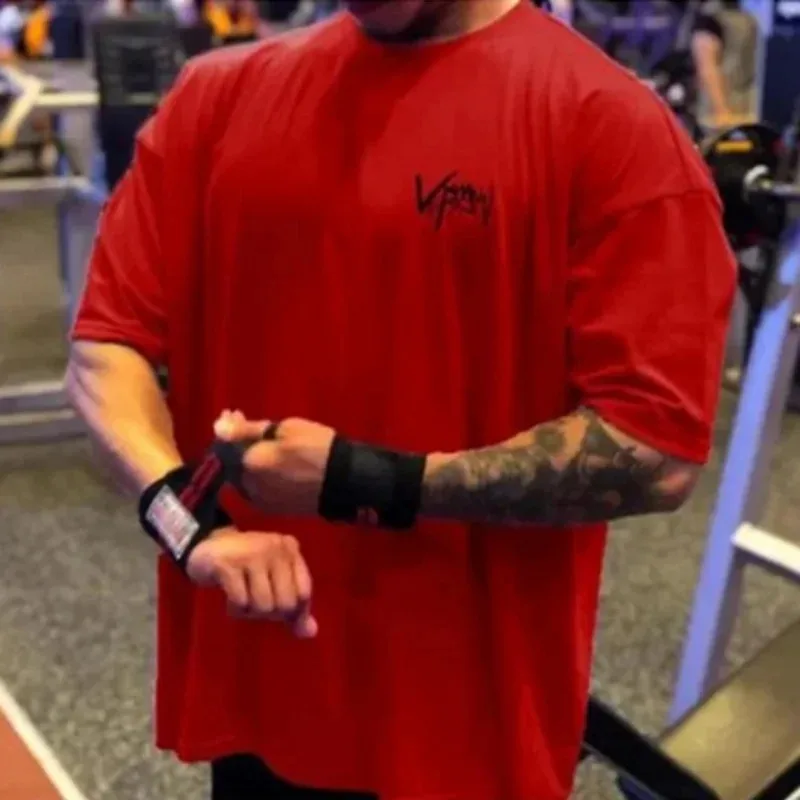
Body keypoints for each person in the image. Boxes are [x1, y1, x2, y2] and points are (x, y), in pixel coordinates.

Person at [66, 1, 736, 798]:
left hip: (462, 729)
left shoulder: (608, 126)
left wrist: (366, 480)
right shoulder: (217, 98)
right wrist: (192, 528)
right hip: (264, 694)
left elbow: (655, 449)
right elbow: (105, 352)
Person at [691, 0, 758, 130]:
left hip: (748, 107)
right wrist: (722, 111)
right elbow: (707, 67)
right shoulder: (710, 17)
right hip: (720, 113)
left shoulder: (749, 14)